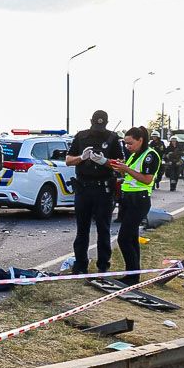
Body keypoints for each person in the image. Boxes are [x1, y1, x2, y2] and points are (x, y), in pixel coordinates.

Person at [64, 110, 123, 275]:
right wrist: (82, 158)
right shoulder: (81, 137)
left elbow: (121, 164)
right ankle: (80, 265)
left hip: (103, 189)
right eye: (97, 124)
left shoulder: (112, 138)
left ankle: (103, 265)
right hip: (83, 188)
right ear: (90, 121)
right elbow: (68, 161)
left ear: (106, 123)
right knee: (82, 229)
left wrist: (105, 162)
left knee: (103, 229)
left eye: (102, 125)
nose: (99, 128)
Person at [107, 126, 162, 285]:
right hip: (128, 199)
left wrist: (126, 169)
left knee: (123, 239)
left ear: (140, 140)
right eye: (125, 143)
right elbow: (128, 174)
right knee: (131, 238)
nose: (127, 146)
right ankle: (133, 275)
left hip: (140, 199)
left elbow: (146, 179)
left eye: (130, 143)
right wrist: (120, 167)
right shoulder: (134, 155)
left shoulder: (150, 155)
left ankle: (131, 275)